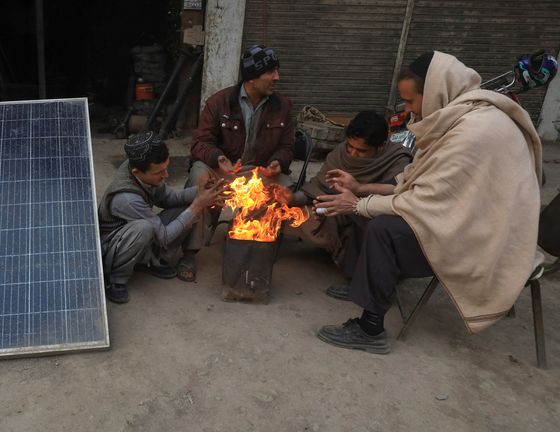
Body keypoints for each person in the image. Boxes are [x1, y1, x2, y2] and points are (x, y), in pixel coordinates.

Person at [312, 51, 542, 354]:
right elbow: (415, 180)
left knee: (382, 228)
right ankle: (367, 286)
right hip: (465, 221)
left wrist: (357, 203)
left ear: (435, 92)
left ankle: (370, 330)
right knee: (368, 209)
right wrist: (360, 189)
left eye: (409, 101)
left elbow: (421, 201)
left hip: (480, 240)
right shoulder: (461, 116)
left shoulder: (473, 132)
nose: (406, 111)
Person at [184, 44, 295, 270]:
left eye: (277, 71)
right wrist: (217, 157)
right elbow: (199, 143)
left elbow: (287, 146)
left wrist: (278, 162)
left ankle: (258, 242)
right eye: (271, 72)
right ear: (252, 78)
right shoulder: (219, 102)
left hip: (259, 171)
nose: (277, 77)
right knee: (198, 178)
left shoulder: (283, 106)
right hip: (224, 169)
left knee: (289, 191)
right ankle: (189, 252)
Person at [98, 131, 226, 304]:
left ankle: (150, 261)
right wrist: (198, 205)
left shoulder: (145, 172)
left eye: (167, 168)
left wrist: (200, 191)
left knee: (188, 207)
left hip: (137, 235)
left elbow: (169, 199)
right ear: (137, 172)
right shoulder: (126, 199)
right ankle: (116, 279)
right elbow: (164, 236)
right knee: (145, 228)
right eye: (159, 172)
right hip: (114, 246)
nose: (165, 175)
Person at [293, 111, 412, 270]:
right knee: (286, 212)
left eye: (362, 151)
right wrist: (292, 198)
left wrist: (359, 189)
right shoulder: (341, 152)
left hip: (366, 214)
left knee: (367, 227)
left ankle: (359, 273)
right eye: (350, 147)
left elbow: (399, 192)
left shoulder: (397, 158)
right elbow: (318, 187)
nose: (353, 154)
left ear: (381, 145)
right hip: (331, 212)